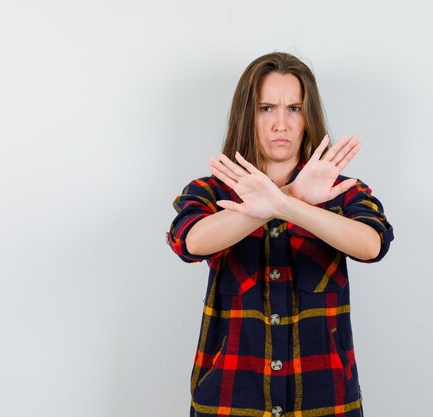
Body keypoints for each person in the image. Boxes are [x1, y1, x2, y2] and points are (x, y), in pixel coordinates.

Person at [166, 52, 394, 417]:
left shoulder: (340, 190)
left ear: (308, 116)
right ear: (248, 114)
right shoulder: (213, 189)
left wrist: (290, 205)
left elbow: (372, 245)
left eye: (295, 108)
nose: (281, 124)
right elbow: (190, 241)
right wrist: (289, 198)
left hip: (325, 401)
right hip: (229, 399)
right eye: (266, 108)